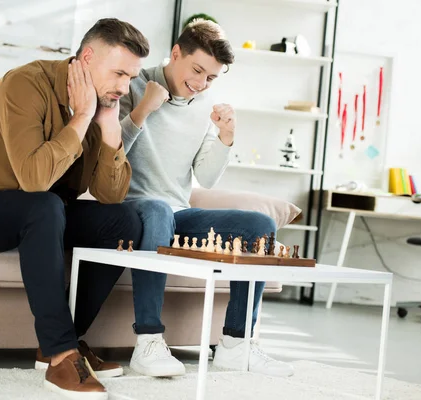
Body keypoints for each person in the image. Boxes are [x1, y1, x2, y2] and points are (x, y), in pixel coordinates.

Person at [0, 18, 149, 399]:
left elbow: (110, 196)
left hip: (46, 210)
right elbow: (34, 180)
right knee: (45, 205)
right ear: (87, 58)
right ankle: (60, 355)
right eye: (119, 73)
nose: (124, 87)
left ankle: (68, 341)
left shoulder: (105, 101)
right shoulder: (24, 83)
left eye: (131, 77)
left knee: (125, 221)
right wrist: (82, 116)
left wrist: (109, 131)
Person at [119, 19, 294, 378]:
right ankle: (148, 341)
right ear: (176, 53)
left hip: (178, 213)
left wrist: (225, 137)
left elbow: (207, 176)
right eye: (197, 70)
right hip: (130, 209)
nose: (200, 84)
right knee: (156, 211)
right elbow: (109, 154)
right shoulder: (131, 84)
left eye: (211, 78)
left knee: (260, 225)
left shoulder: (204, 104)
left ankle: (235, 344)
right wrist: (144, 110)